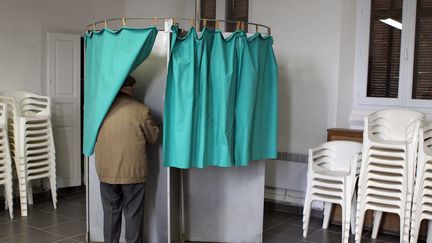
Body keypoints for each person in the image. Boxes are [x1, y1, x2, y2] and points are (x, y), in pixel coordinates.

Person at [95, 75, 160, 243]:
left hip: (107, 172)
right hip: (133, 173)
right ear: (130, 89)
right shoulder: (141, 110)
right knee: (133, 214)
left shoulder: (101, 111)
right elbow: (153, 138)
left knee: (110, 214)